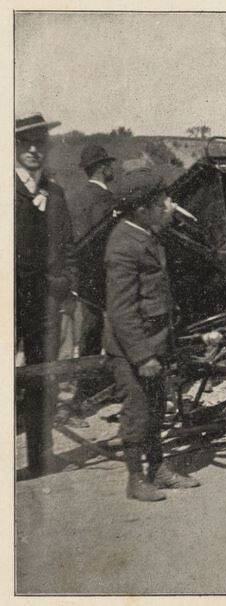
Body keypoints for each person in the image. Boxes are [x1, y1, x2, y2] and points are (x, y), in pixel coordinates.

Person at [104, 167, 200, 501]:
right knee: (137, 412)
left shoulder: (147, 234)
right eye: (164, 202)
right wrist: (142, 355)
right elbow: (121, 310)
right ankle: (135, 479)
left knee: (157, 407)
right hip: (134, 348)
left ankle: (157, 469)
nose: (169, 206)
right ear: (143, 208)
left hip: (155, 341)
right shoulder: (123, 246)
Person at [14, 113, 77, 476]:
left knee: (44, 377)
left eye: (41, 143)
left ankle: (41, 457)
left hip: (47, 304)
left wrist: (66, 283)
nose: (34, 150)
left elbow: (68, 246)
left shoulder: (55, 193)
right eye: (26, 143)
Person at [64, 144, 120, 425]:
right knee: (103, 330)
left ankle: (85, 393)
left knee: (90, 332)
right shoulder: (105, 199)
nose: (114, 168)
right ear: (102, 167)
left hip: (83, 278)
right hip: (104, 276)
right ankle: (83, 398)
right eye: (110, 164)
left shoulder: (74, 198)